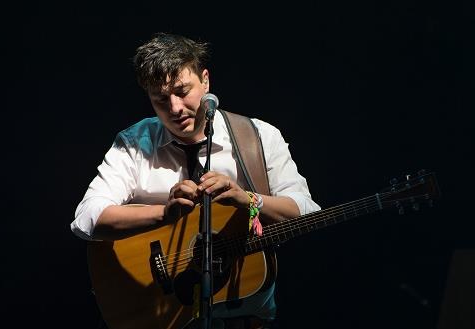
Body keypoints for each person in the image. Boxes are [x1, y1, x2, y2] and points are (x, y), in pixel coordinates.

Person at [70, 32, 320, 328]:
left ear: (205, 81)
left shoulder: (260, 137)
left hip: (245, 318)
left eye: (182, 90)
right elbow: (86, 220)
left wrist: (249, 200)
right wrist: (163, 214)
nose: (175, 108)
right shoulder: (134, 143)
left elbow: (306, 211)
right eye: (160, 99)